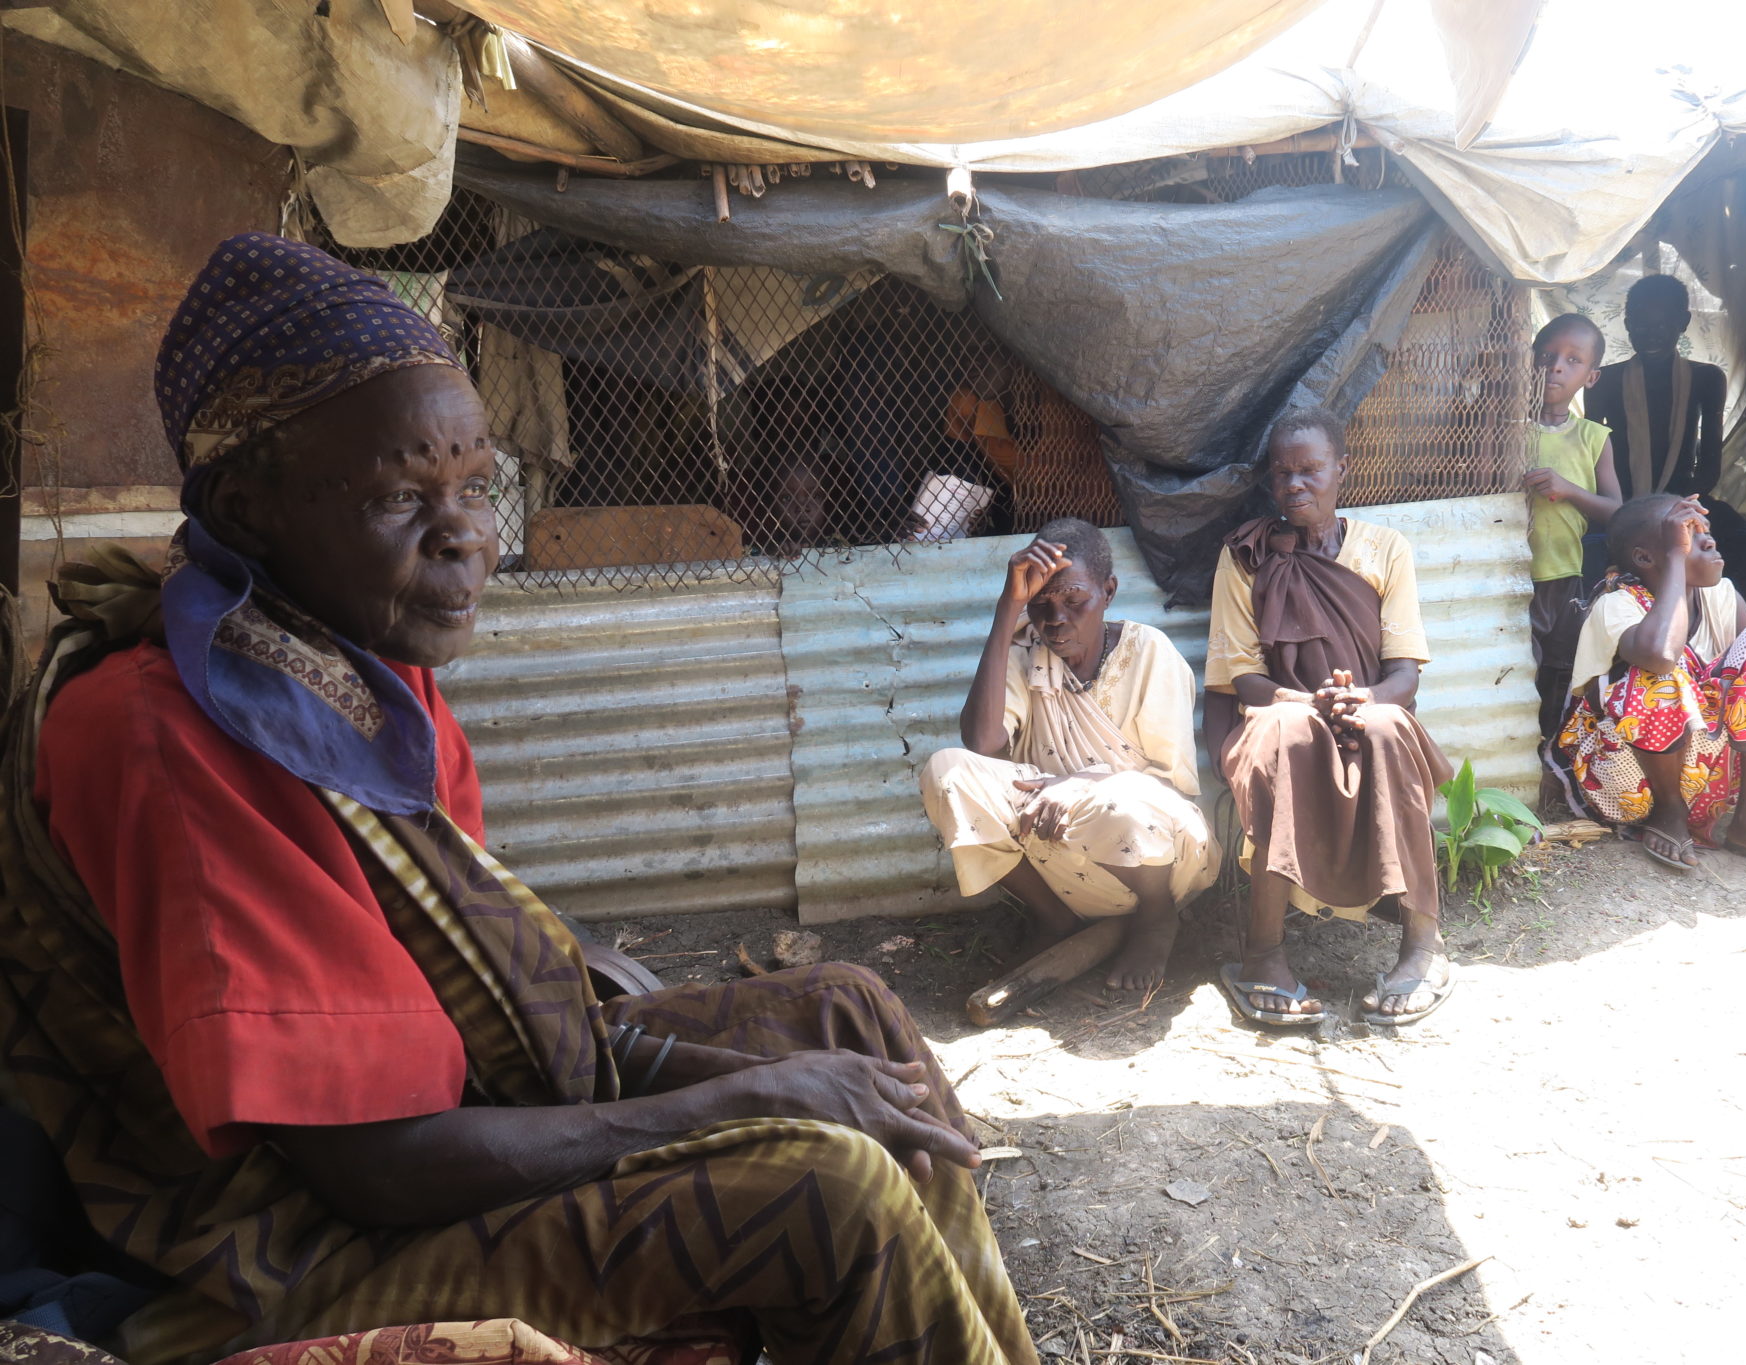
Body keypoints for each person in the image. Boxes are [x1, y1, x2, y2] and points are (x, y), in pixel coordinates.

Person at [0, 235, 1035, 1365]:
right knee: (824, 1195)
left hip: (416, 1135)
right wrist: (752, 1101)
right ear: (248, 510)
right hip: (297, 1248)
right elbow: (374, 1164)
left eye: (475, 486)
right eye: (402, 497)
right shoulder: (169, 732)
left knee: (849, 1014)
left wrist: (590, 971)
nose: (467, 538)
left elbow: (449, 954)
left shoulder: (355, 670)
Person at [1203, 409, 1454, 1028]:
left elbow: (1405, 675)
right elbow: (1242, 676)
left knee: (1391, 729)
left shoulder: (1386, 549)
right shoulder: (1246, 555)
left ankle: (1424, 948)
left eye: (1310, 470)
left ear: (1341, 470)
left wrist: (1362, 701)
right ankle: (1262, 956)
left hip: (1366, 705)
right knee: (1284, 738)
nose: (1295, 485)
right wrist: (1307, 705)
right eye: (1283, 473)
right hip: (1281, 710)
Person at [921, 518, 1219, 996]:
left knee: (1123, 804)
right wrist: (1008, 607)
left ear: (1109, 591)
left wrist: (1084, 784)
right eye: (1041, 605)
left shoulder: (1149, 652)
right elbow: (981, 743)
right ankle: (1054, 918)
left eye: (1074, 601)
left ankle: (1157, 921)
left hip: (1155, 860)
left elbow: (1171, 788)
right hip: (1061, 854)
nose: (1055, 620)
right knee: (947, 771)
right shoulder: (1024, 650)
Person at [1557, 493, 1746, 879]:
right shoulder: (1617, 604)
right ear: (1646, 558)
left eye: (1706, 532)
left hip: (1711, 777)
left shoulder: (1722, 596)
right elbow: (1659, 655)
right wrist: (1674, 560)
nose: (1709, 541)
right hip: (1626, 780)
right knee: (1660, 671)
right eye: (1687, 537)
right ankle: (1669, 812)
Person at [1582, 274, 1746, 603]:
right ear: (1627, 325)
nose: (1650, 335)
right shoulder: (1605, 381)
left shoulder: (1706, 378)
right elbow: (1591, 452)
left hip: (1685, 498)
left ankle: (1723, 623)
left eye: (1662, 325)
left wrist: (1675, 510)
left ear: (1683, 322)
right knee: (1588, 556)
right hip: (1620, 502)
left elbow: (1709, 467)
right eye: (1641, 325)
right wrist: (1629, 509)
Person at [1522, 314, 1621, 736]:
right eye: (1546, 355)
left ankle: (1546, 753)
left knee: (1555, 669)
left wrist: (1569, 490)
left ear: (1591, 377)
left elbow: (1617, 510)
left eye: (1572, 359)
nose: (1556, 366)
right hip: (1507, 574)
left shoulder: (1592, 438)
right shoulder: (1502, 427)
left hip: (1561, 574)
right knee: (1511, 664)